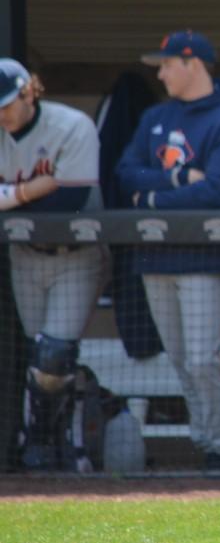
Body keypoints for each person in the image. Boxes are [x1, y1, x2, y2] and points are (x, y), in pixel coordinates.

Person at [116, 30, 220, 470]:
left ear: (192, 63)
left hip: (204, 256)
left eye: (166, 64)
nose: (160, 73)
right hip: (154, 254)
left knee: (200, 358)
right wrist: (179, 179)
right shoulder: (155, 116)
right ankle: (205, 442)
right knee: (179, 358)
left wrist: (153, 199)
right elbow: (126, 172)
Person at [0, 58, 105, 471]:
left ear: (29, 92)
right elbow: (48, 195)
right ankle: (47, 441)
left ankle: (46, 438)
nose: (1, 114)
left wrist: (10, 195)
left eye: (6, 104)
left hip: (75, 255)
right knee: (38, 355)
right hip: (25, 255)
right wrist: (33, 189)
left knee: (55, 353)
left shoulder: (71, 126)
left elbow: (69, 203)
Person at [95, 70, 163, 360]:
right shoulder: (121, 109)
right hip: (122, 230)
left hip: (161, 237)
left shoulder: (157, 120)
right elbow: (111, 172)